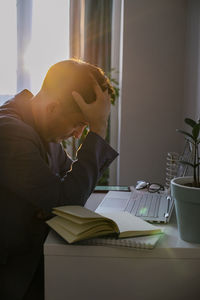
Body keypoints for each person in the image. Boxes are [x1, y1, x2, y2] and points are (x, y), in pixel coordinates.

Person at [0, 59, 118, 299]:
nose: (77, 135)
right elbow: (67, 198)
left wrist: (54, 201)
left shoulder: (40, 126)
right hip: (11, 273)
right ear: (52, 108)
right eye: (79, 124)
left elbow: (67, 185)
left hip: (35, 259)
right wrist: (98, 128)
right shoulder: (11, 132)